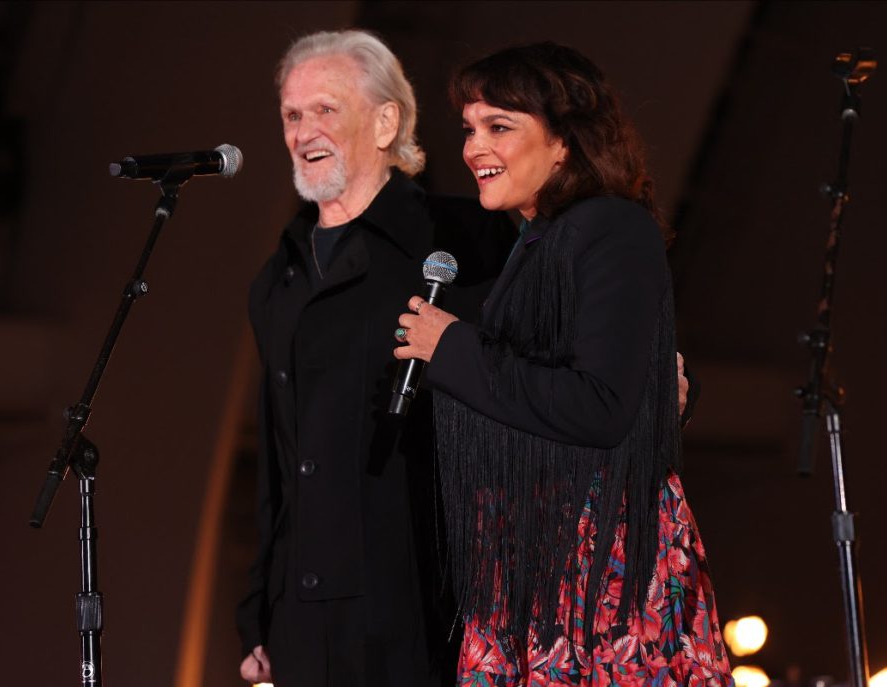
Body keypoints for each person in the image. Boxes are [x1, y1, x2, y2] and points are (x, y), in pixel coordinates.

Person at [394, 43, 734, 686]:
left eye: (499, 126)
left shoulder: (609, 228)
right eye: (469, 129)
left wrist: (453, 347)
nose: (473, 148)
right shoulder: (539, 241)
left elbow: (599, 405)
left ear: (564, 142)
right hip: (534, 563)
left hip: (596, 570)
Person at [235, 30, 517, 687]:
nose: (304, 131)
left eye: (325, 109)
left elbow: (539, 363)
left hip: (424, 605)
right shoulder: (278, 276)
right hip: (305, 617)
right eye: (292, 115)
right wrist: (258, 610)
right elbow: (277, 460)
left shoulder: (465, 235)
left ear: (386, 122)